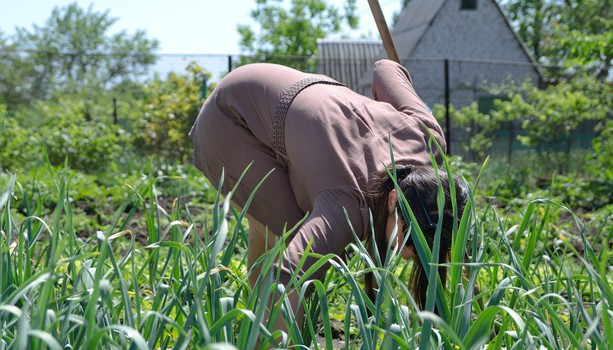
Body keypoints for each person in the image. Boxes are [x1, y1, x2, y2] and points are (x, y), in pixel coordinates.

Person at [188, 59, 469, 325]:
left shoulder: (427, 137)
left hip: (279, 100)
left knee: (275, 232)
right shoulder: (346, 203)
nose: (407, 255)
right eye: (410, 239)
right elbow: (286, 281)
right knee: (298, 238)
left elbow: (387, 68)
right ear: (393, 200)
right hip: (231, 120)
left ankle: (256, 318)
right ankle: (266, 334)